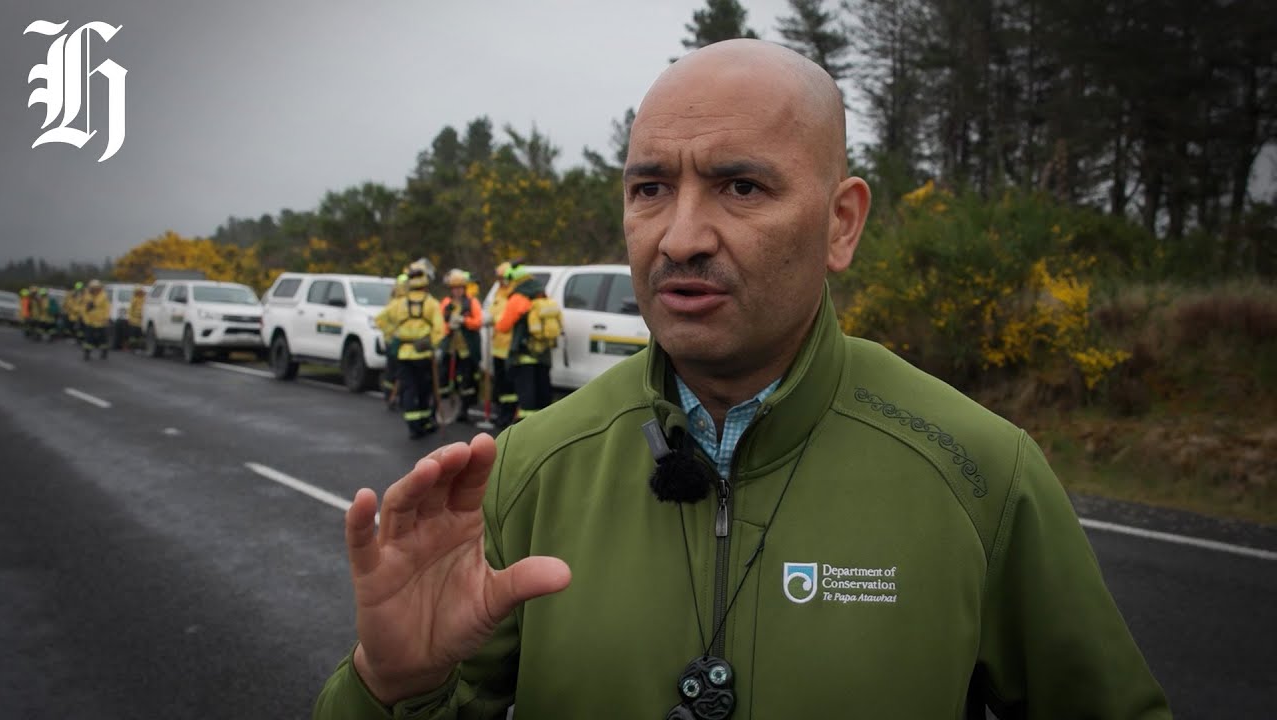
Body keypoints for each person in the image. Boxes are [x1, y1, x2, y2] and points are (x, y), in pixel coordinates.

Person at [315, 40, 1171, 719]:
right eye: (652, 188)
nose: (681, 236)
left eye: (741, 186)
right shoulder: (531, 468)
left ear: (841, 223)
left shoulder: (981, 472)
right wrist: (391, 688)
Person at [376, 260, 446, 439]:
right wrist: (432, 344)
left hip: (404, 354)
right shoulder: (431, 303)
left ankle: (414, 425)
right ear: (425, 284)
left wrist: (393, 335)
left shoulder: (399, 303)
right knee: (424, 390)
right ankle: (424, 422)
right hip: (423, 355)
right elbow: (440, 330)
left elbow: (380, 319)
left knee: (409, 389)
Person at [493, 262, 554, 422]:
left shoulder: (518, 298)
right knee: (542, 392)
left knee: (527, 396)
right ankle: (545, 425)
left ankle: (527, 427)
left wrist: (495, 320)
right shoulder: (541, 293)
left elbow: (503, 326)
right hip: (543, 354)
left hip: (524, 354)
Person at [438, 268, 483, 424]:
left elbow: (478, 322)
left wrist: (465, 321)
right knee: (445, 378)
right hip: (450, 348)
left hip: (466, 349)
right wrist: (449, 326)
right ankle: (444, 406)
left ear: (464, 288)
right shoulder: (446, 303)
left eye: (460, 288)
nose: (457, 291)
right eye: (454, 288)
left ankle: (465, 408)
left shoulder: (472, 302)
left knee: (467, 380)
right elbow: (440, 323)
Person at [484, 261, 518, 428]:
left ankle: (508, 415)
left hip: (509, 348)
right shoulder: (499, 293)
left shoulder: (514, 295)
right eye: (498, 278)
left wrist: (494, 319)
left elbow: (508, 318)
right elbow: (493, 311)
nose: (500, 281)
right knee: (501, 384)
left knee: (509, 385)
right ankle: (501, 414)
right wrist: (488, 317)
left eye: (502, 278)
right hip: (497, 347)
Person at [381, 273, 410, 411]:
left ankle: (391, 397)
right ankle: (394, 397)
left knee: (393, 372)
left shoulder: (393, 302)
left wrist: (390, 333)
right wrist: (394, 332)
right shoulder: (402, 303)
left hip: (393, 342)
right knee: (399, 372)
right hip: (398, 342)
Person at [80, 279, 111, 360]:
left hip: (102, 322)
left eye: (97, 288)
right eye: (93, 288)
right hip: (90, 322)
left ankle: (104, 352)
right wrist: (86, 320)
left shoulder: (104, 296)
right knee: (88, 339)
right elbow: (83, 310)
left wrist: (106, 318)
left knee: (103, 339)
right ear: (90, 288)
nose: (95, 290)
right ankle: (87, 353)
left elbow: (107, 308)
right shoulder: (87, 297)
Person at [126, 286, 146, 351]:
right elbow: (130, 310)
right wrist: (130, 318)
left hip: (141, 322)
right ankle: (133, 347)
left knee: (140, 336)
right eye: (137, 292)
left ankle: (140, 347)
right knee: (133, 337)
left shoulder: (144, 299)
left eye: (140, 292)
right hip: (134, 321)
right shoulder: (134, 299)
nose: (139, 293)